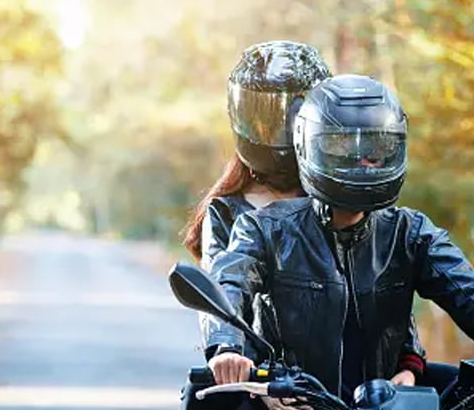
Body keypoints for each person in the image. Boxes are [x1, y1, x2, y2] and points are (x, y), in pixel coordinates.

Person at [205, 74, 474, 405]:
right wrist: (227, 348)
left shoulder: (410, 232)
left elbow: (465, 290)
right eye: (342, 148)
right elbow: (229, 283)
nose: (364, 163)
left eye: (376, 149)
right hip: (289, 400)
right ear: (308, 147)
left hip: (386, 399)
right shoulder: (266, 229)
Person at [181, 42, 424, 409]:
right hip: (269, 387)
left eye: (292, 112)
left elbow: (384, 279)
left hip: (360, 383)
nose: (277, 128)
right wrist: (255, 380)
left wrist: (408, 363)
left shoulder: (343, 193)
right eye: (264, 116)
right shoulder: (227, 212)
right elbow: (225, 294)